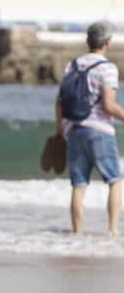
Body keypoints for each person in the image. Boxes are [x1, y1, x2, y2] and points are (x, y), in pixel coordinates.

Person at [56, 21, 124, 235]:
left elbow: (59, 103)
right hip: (99, 130)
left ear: (87, 41)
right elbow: (109, 105)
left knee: (79, 184)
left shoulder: (71, 66)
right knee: (115, 181)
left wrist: (60, 132)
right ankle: (113, 231)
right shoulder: (108, 68)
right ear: (107, 42)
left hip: (73, 129)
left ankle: (77, 233)